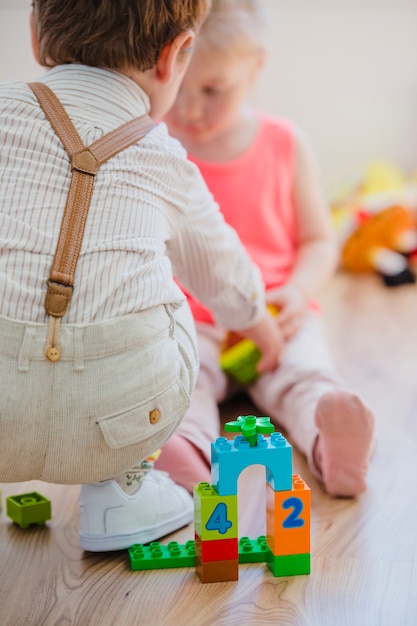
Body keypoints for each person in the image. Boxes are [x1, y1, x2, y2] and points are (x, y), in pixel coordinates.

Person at [0, 0, 283, 552]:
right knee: (163, 291)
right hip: (120, 417)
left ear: (35, 36)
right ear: (177, 54)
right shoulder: (167, 158)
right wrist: (259, 324)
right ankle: (120, 494)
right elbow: (221, 271)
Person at [159, 0, 375, 498]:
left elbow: (319, 240)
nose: (190, 110)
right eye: (178, 87)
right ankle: (184, 452)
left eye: (213, 90)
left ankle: (331, 438)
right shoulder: (154, 149)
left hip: (277, 311)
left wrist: (299, 292)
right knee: (177, 384)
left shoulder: (284, 143)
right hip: (189, 315)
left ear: (256, 66)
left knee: (304, 373)